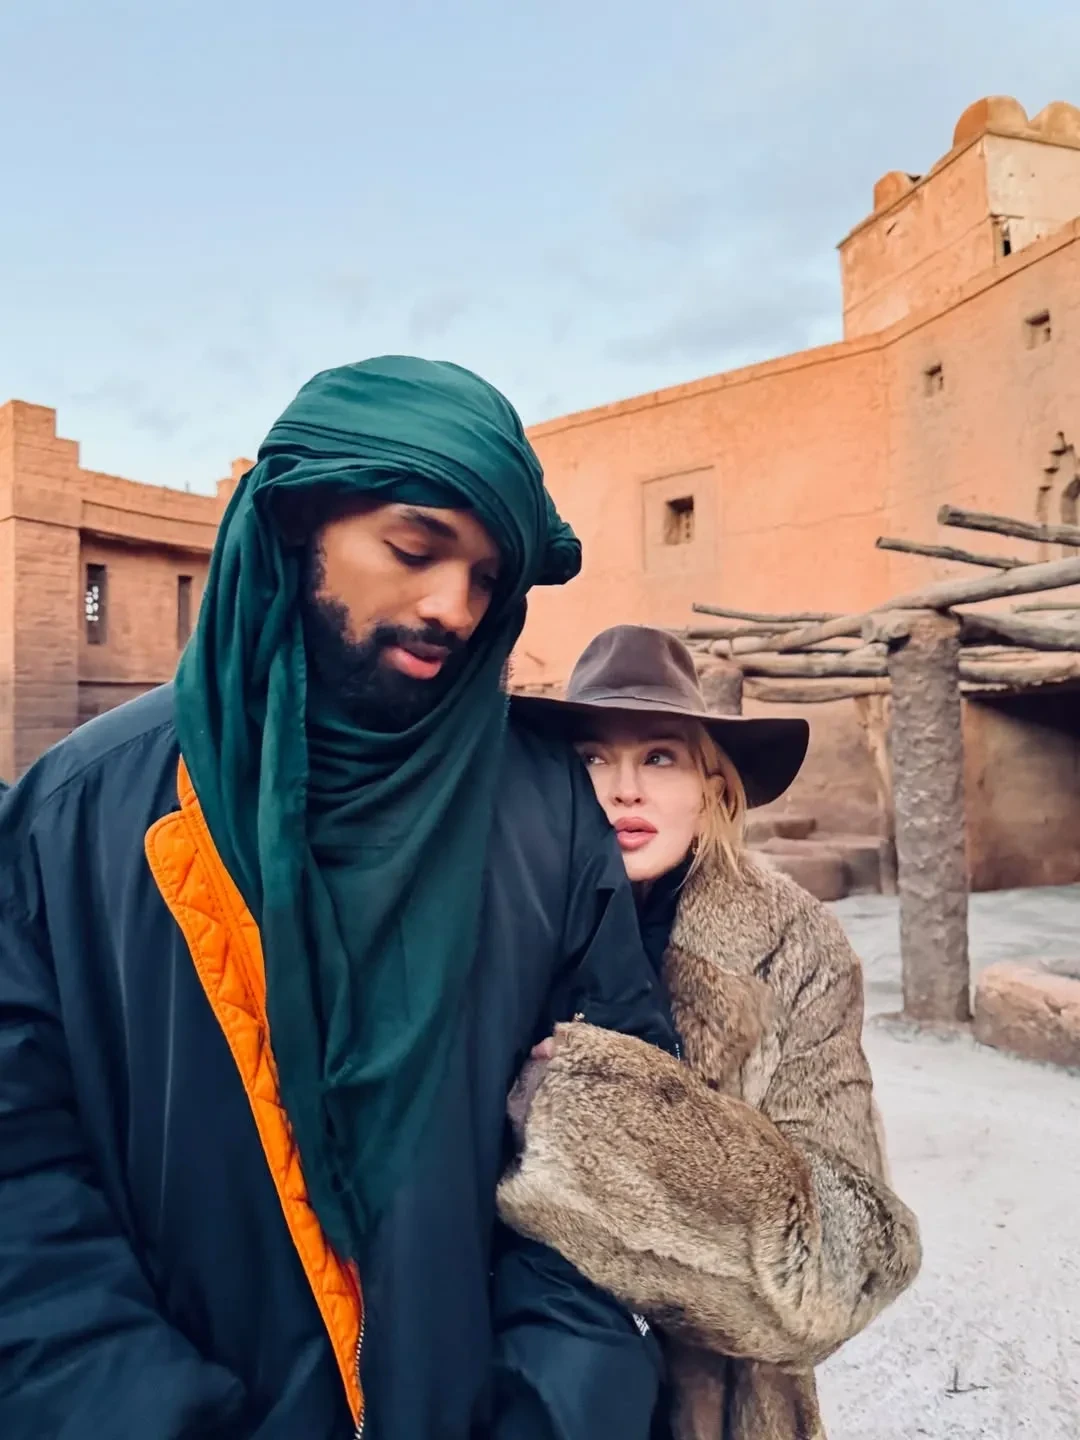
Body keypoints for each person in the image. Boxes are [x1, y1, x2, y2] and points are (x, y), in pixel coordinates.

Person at [0, 361, 678, 1439]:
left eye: (486, 578)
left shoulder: (548, 814)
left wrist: (544, 1413)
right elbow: (23, 1175)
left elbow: (621, 1160)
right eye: (414, 549)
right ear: (294, 525)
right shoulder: (78, 815)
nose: (453, 606)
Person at [501, 625, 922, 1440]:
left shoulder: (794, 946)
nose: (624, 790)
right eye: (592, 758)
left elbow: (851, 1259)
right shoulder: (498, 923)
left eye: (660, 756)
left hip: (718, 1405)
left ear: (711, 787)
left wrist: (587, 1110)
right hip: (513, 1384)